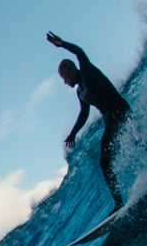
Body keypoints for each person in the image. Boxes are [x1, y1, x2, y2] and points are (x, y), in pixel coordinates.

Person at [47, 31, 130, 210]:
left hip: (120, 111)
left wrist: (61, 44)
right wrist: (73, 133)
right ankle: (119, 202)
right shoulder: (80, 92)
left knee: (135, 142)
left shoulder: (87, 71)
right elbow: (83, 114)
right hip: (111, 120)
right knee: (106, 161)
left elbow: (79, 52)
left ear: (69, 71)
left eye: (63, 77)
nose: (64, 81)